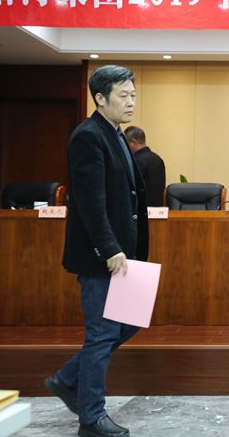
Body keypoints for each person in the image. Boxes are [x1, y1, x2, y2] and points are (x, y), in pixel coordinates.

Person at [44, 65, 149, 437]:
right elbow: (89, 201)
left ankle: (67, 379)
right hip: (103, 255)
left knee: (131, 321)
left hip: (125, 252)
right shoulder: (88, 135)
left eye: (133, 95)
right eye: (123, 95)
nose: (131, 102)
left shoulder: (115, 133)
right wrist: (109, 248)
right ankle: (91, 418)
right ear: (100, 98)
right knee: (102, 333)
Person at [123, 125, 166, 207]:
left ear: (133, 142)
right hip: (157, 211)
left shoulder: (136, 161)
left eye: (126, 143)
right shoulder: (158, 159)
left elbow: (132, 190)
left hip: (141, 211)